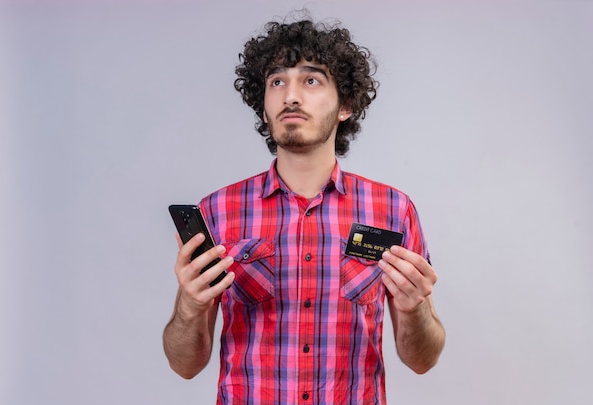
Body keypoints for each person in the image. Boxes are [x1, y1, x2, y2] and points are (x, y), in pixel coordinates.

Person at [163, 15, 445, 405]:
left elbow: (421, 360)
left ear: (345, 104)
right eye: (277, 82)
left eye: (311, 80)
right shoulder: (218, 211)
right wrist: (190, 305)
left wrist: (415, 310)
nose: (290, 96)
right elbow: (185, 365)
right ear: (263, 106)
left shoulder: (393, 210)